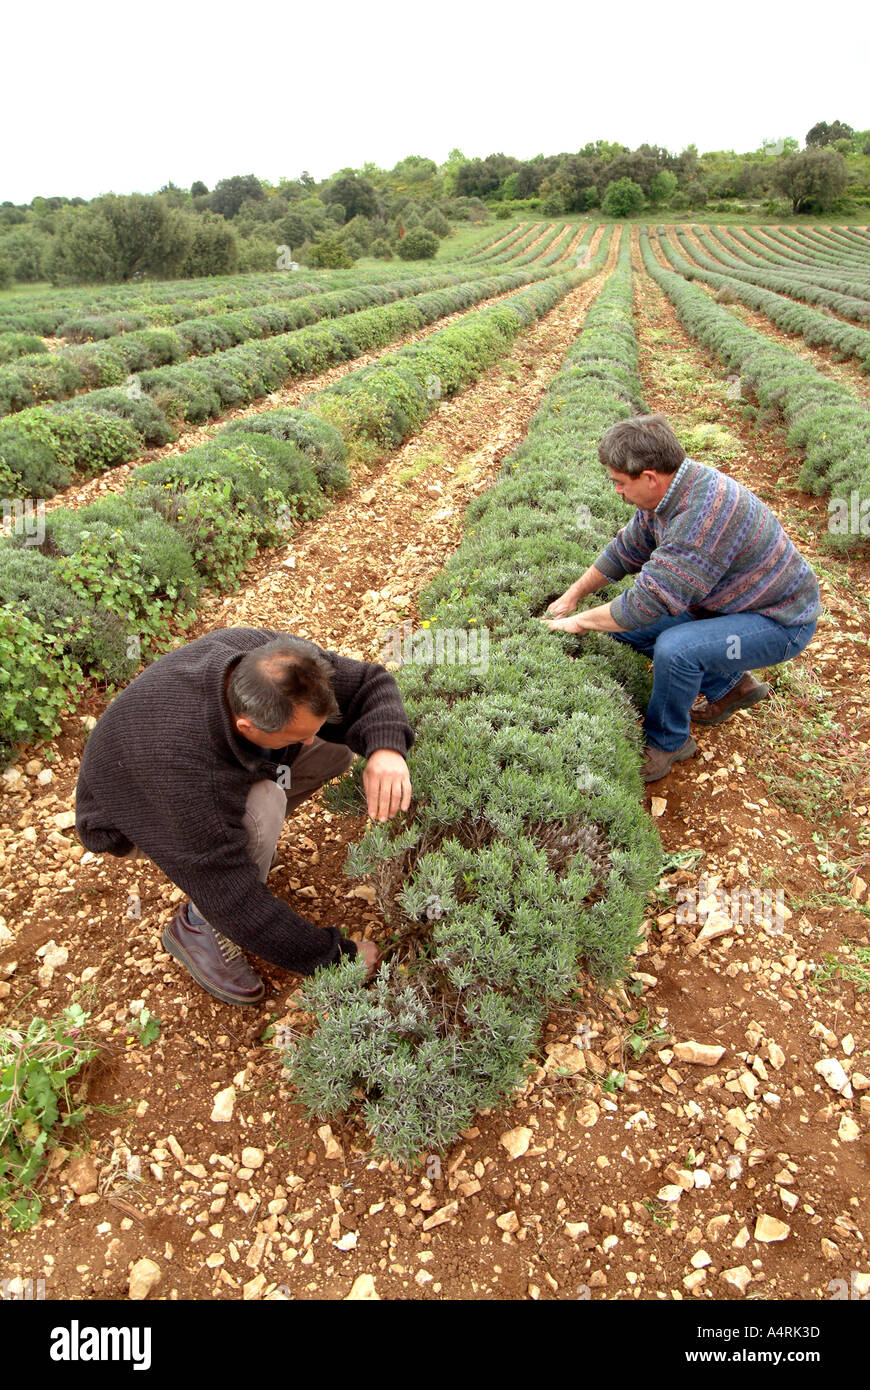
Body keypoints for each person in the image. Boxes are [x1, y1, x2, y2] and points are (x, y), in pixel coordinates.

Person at [75, 629, 414, 1006]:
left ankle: (250, 848)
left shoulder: (273, 661)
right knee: (262, 809)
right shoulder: (188, 779)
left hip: (202, 770)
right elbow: (235, 902)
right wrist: (336, 958)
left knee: (331, 750)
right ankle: (198, 927)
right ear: (248, 728)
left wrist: (386, 748)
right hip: (132, 815)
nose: (305, 742)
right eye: (294, 735)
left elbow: (369, 682)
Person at [543, 415, 820, 783]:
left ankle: (670, 742)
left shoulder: (703, 516)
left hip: (778, 621)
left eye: (619, 483)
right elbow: (626, 550)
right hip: (726, 607)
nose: (617, 492)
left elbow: (648, 602)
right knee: (626, 632)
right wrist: (572, 597)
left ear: (650, 477)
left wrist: (577, 622)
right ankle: (731, 686)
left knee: (676, 648)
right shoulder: (667, 495)